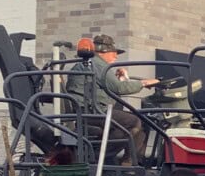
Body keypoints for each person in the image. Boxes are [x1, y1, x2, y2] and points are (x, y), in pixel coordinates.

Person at [65, 33, 158, 165]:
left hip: (89, 110)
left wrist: (119, 80)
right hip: (93, 111)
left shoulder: (92, 65)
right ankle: (102, 158)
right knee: (134, 121)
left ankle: (125, 161)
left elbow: (110, 93)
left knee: (131, 129)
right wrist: (144, 83)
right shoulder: (98, 65)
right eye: (114, 53)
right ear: (103, 52)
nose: (116, 56)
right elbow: (119, 88)